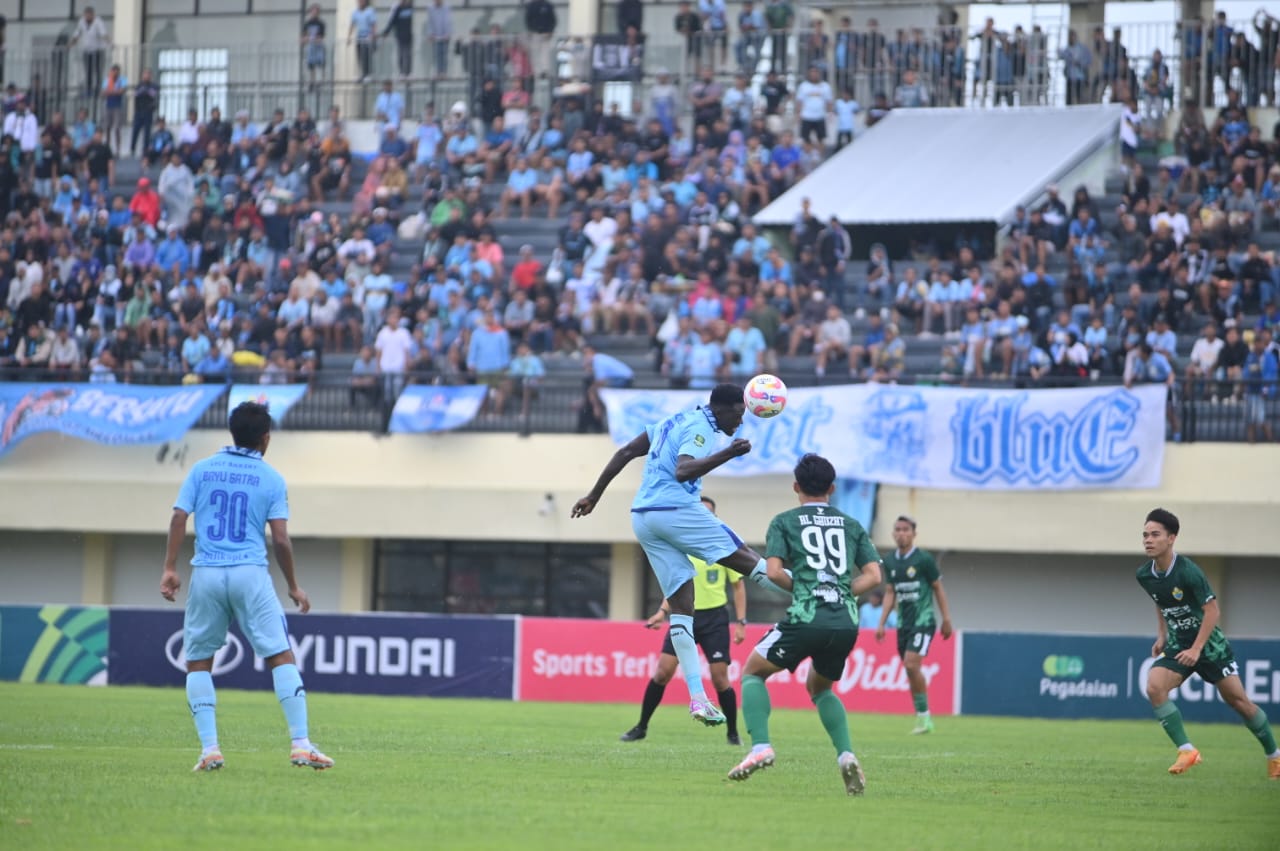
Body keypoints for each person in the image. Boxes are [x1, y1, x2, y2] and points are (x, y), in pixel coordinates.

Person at [571, 383, 788, 727]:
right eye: (738, 414)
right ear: (722, 408)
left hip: (643, 516)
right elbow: (683, 470)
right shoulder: (703, 428)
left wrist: (594, 495)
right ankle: (815, 595)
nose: (740, 421)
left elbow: (626, 451)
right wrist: (729, 454)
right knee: (745, 557)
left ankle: (698, 699)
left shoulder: (674, 421)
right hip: (675, 509)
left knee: (683, 607)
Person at [159, 402, 334, 773]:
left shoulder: (202, 469)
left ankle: (210, 750)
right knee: (279, 656)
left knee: (198, 662)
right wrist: (294, 586)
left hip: (206, 572)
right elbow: (281, 540)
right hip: (249, 573)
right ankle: (301, 744)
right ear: (266, 438)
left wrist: (170, 567)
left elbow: (178, 517)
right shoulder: (271, 478)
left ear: (231, 431)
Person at [726, 453, 882, 795]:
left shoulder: (784, 521)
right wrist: (837, 591)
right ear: (832, 488)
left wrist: (812, 590)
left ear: (796, 486)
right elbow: (873, 576)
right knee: (821, 687)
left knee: (753, 672)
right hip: (845, 622)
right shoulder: (852, 524)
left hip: (808, 616)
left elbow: (773, 572)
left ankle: (760, 746)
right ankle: (845, 755)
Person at [1137, 508, 1280, 778]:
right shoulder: (1144, 574)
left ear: (1171, 538)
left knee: (1239, 702)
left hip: (1210, 647)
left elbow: (1212, 611)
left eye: (1155, 534)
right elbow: (1160, 601)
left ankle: (1275, 756)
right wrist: (1162, 634)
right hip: (1180, 644)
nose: (1148, 540)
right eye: (1145, 535)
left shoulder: (1188, 571)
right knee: (1155, 687)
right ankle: (1187, 750)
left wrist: (1197, 649)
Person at [620, 495, 748, 745]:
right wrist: (661, 612)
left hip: (715, 619)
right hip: (683, 616)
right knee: (662, 672)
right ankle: (641, 727)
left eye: (707, 513)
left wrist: (741, 622)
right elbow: (675, 588)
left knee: (720, 678)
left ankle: (733, 733)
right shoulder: (679, 547)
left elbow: (739, 587)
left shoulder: (721, 548)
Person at [876, 514, 953, 734]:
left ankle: (925, 717)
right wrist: (882, 623)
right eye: (898, 529)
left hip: (923, 620)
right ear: (893, 533)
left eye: (906, 530)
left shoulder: (924, 560)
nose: (901, 533)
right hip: (903, 624)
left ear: (913, 534)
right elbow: (890, 592)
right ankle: (923, 718)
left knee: (911, 664)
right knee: (910, 670)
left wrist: (946, 619)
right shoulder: (889, 561)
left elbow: (938, 588)